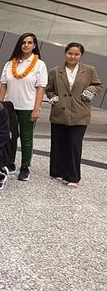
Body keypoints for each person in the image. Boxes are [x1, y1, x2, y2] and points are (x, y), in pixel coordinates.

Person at [46, 42, 102, 189]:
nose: (72, 56)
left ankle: (72, 176)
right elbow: (49, 89)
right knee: (58, 144)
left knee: (74, 145)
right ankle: (57, 172)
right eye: (70, 53)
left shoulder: (89, 70)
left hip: (79, 113)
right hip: (59, 112)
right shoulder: (55, 71)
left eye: (76, 54)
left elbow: (98, 85)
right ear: (65, 53)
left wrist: (89, 91)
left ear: (81, 55)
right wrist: (53, 98)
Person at [0, 32, 47, 181]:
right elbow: (3, 85)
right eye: (23, 42)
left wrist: (36, 108)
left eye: (29, 42)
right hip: (10, 106)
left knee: (26, 138)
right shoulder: (10, 63)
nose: (26, 45)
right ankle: (10, 163)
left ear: (34, 45)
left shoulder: (39, 64)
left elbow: (41, 88)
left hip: (28, 107)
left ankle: (25, 167)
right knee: (10, 137)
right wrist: (0, 105)